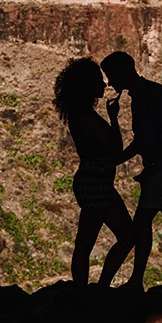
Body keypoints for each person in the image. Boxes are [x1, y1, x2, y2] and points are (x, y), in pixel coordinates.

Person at [100, 51, 162, 291]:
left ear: (122, 72)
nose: (110, 82)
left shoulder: (147, 95)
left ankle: (137, 280)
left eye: (111, 76)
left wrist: (124, 161)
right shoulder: (151, 92)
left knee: (142, 222)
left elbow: (146, 139)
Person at [53, 57, 134, 287]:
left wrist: (113, 119)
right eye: (99, 80)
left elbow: (112, 151)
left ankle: (90, 290)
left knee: (90, 241)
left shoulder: (81, 115)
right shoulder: (87, 118)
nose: (104, 83)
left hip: (93, 182)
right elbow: (115, 151)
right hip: (96, 183)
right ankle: (94, 289)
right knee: (120, 237)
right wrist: (136, 144)